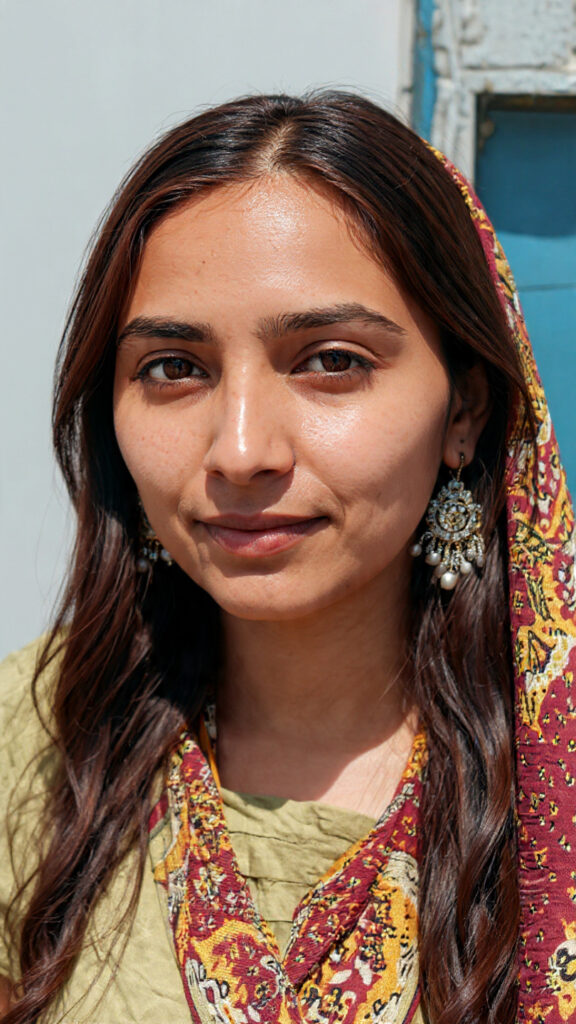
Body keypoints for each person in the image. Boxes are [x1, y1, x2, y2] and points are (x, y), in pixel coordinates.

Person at [0, 91, 574, 1024]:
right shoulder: (36, 749)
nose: (239, 450)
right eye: (173, 368)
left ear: (463, 409)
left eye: (330, 360)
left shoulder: (557, 780)